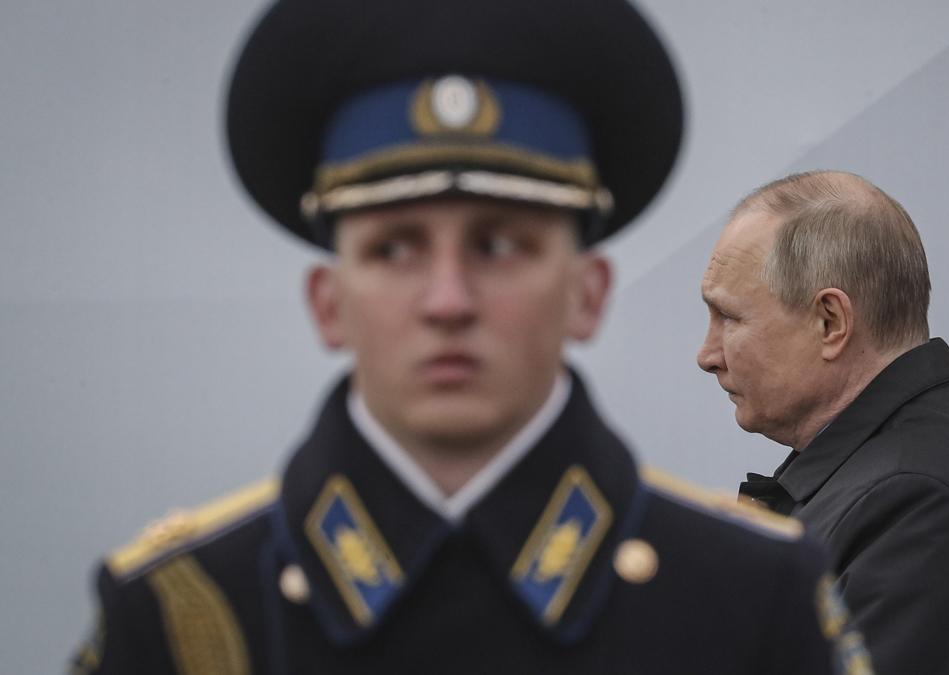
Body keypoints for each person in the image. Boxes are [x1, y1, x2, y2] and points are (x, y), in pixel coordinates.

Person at [68, 2, 872, 674]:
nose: (447, 299)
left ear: (586, 294)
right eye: (394, 248)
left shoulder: (752, 600)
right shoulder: (181, 617)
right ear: (327, 302)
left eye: (499, 245)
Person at [696, 170, 949, 675]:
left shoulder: (922, 509)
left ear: (830, 322)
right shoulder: (895, 481)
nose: (707, 355)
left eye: (730, 318)